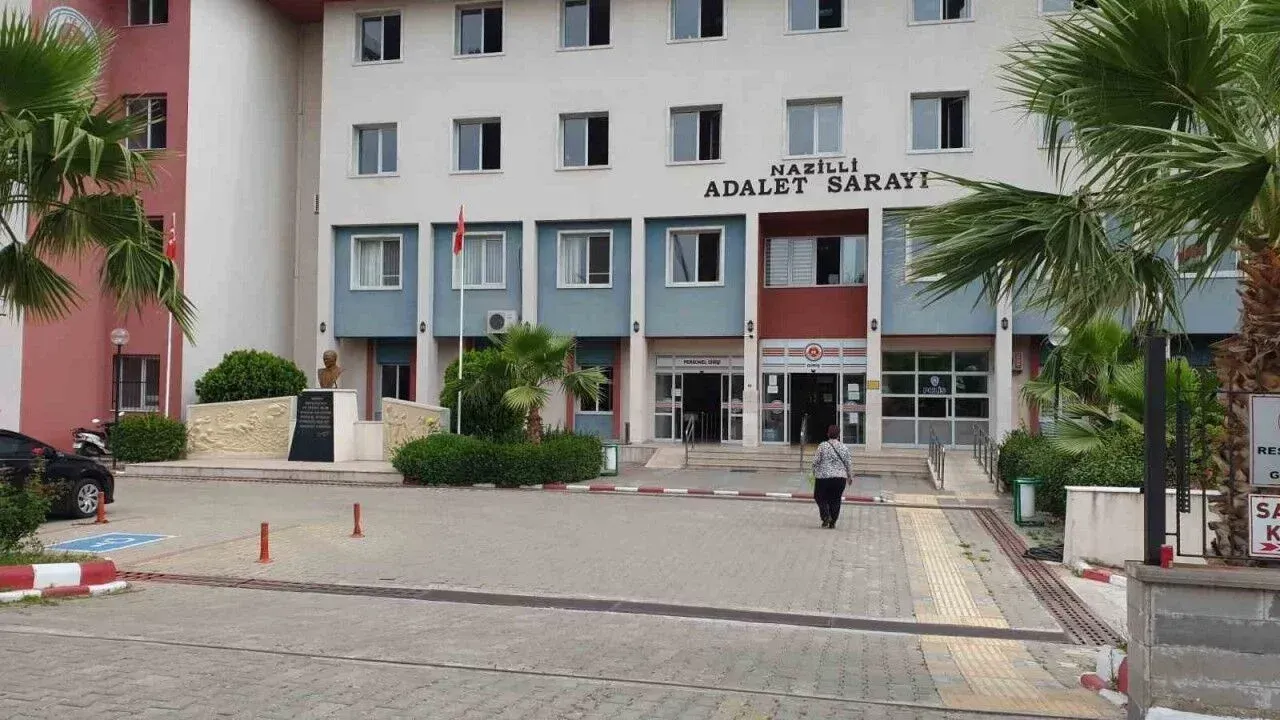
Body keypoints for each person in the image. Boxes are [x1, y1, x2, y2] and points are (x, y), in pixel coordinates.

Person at [810, 425, 852, 529]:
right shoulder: (844, 447)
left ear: (828, 434)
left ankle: (826, 516)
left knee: (819, 496)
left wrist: (813, 471)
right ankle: (832, 522)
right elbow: (848, 463)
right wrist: (849, 476)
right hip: (840, 478)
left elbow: (816, 461)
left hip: (823, 477)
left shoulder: (822, 446)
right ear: (839, 435)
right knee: (836, 499)